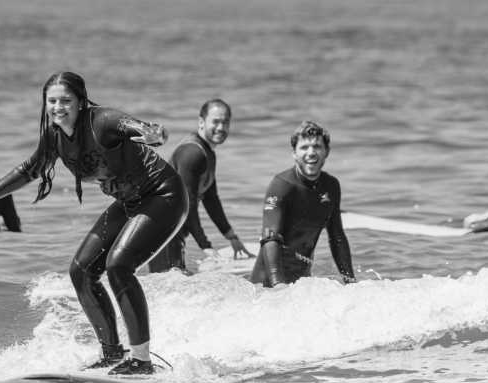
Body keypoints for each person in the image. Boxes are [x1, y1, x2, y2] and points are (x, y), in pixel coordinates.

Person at [0, 71, 187, 375]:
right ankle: (112, 354)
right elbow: (29, 170)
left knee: (118, 266)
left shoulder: (101, 121)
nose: (58, 107)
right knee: (82, 271)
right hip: (129, 202)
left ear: (80, 102)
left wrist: (154, 133)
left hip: (163, 195)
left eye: (66, 100)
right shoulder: (54, 136)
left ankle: (141, 360)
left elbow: (138, 127)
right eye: (52, 101)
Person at [148, 98, 250, 273]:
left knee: (177, 284)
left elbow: (211, 199)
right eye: (216, 121)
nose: (221, 127)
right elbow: (189, 204)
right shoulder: (192, 154)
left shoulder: (207, 153)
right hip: (162, 233)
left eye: (225, 122)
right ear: (201, 122)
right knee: (171, 285)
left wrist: (230, 236)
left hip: (173, 233)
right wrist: (205, 246)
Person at [249, 121, 355, 287]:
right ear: (294, 153)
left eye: (317, 146)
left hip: (301, 283)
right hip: (266, 284)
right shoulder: (282, 185)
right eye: (304, 147)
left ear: (327, 151)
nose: (311, 153)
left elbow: (337, 237)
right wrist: (278, 285)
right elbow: (270, 239)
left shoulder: (331, 185)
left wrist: (350, 281)